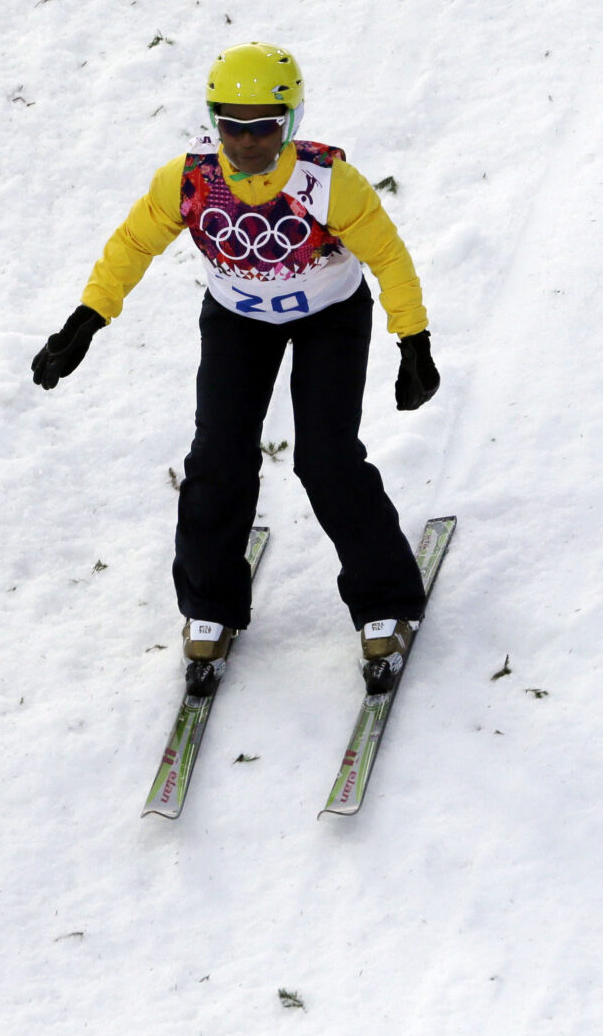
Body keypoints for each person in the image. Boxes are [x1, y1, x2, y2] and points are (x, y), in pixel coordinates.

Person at [30, 42, 441, 692]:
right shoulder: (190, 179)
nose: (247, 142)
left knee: (327, 459)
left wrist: (412, 340)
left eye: (264, 127)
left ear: (292, 120)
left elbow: (388, 256)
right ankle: (210, 603)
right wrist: (86, 319)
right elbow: (134, 242)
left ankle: (384, 596)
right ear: (213, 120)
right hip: (237, 321)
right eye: (232, 125)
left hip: (330, 317)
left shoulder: (327, 182)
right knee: (217, 458)